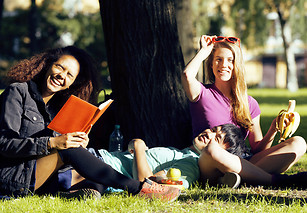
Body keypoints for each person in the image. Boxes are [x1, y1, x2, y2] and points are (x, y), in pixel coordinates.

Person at [0, 46, 180, 202]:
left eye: (69, 75)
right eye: (59, 67)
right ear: (47, 65)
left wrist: (77, 142)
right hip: (14, 177)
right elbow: (5, 143)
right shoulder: (18, 92)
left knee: (96, 179)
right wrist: (54, 143)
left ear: (71, 84)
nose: (61, 76)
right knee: (68, 149)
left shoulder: (56, 107)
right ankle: (139, 189)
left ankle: (70, 195)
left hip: (41, 175)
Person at [181, 35, 307, 188]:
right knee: (212, 149)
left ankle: (236, 179)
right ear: (211, 64)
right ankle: (277, 181)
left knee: (299, 143)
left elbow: (258, 149)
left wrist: (273, 129)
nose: (224, 64)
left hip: (243, 160)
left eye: (230, 60)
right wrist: (204, 50)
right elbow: (187, 75)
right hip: (209, 161)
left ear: (237, 64)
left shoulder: (249, 103)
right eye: (218, 59)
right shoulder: (202, 94)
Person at [87, 124, 248, 190]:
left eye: (217, 139)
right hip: (101, 161)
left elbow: (148, 184)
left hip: (103, 166)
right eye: (213, 129)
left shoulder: (190, 166)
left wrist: (138, 147)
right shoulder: (183, 154)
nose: (209, 133)